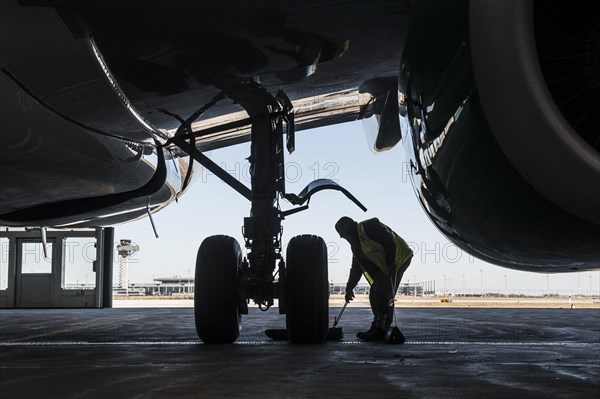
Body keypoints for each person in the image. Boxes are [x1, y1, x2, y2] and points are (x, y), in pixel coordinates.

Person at [335, 216, 413, 341]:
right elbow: (356, 267)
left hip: (399, 259)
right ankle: (377, 326)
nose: (341, 237)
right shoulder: (356, 245)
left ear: (346, 226)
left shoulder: (369, 226)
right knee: (374, 294)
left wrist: (391, 264)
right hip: (386, 267)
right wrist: (349, 287)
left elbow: (388, 242)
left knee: (382, 293)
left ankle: (381, 329)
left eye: (340, 232)